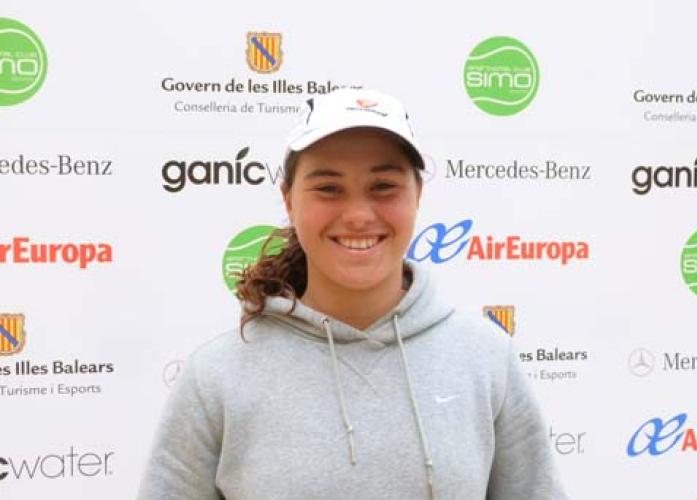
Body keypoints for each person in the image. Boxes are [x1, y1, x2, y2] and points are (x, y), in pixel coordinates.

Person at [137, 88, 568, 499]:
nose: (359, 215)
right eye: (328, 188)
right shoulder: (216, 377)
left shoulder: (485, 359)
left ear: (418, 195)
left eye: (383, 186)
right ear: (289, 201)